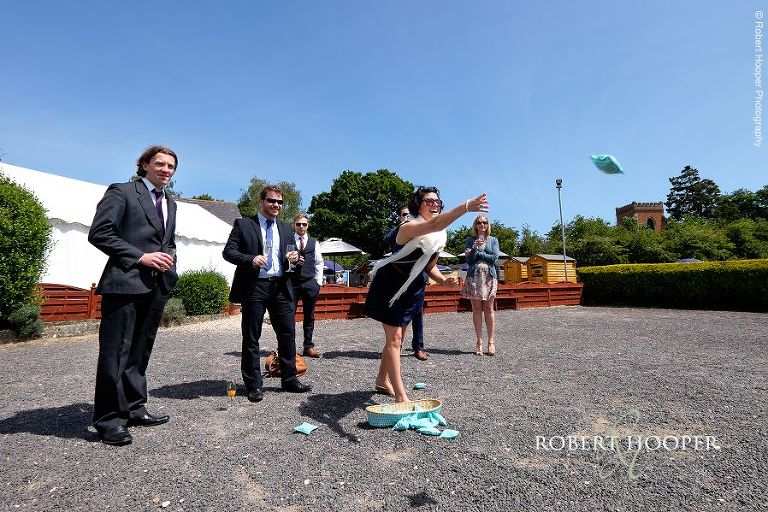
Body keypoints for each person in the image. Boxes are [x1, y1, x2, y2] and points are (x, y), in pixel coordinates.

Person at [88, 145, 179, 446]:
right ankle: (109, 419)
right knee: (116, 354)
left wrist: (169, 259)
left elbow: (168, 241)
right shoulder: (123, 192)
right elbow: (100, 233)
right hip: (124, 283)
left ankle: (135, 407)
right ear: (144, 165)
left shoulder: (170, 202)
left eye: (171, 166)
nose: (166, 170)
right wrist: (141, 257)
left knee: (140, 350)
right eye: (160, 164)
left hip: (155, 286)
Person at [365, 187, 489, 402]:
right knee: (395, 339)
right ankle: (402, 398)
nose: (434, 205)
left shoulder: (439, 236)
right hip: (390, 285)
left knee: (398, 338)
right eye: (428, 201)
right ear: (418, 205)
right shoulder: (407, 227)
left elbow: (430, 265)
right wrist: (466, 206)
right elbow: (433, 224)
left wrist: (444, 281)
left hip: (412, 287)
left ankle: (381, 380)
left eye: (437, 202)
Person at [223, 185, 311, 403]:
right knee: (252, 336)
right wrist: (250, 259)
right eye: (272, 201)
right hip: (255, 286)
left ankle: (290, 379)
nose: (276, 205)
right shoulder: (244, 224)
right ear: (261, 202)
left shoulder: (285, 228)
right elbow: (228, 252)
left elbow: (290, 258)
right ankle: (253, 385)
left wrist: (295, 260)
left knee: (287, 334)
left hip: (281, 286)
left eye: (280, 202)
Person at [384, 206, 427, 361]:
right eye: (404, 214)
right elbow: (387, 239)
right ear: (400, 217)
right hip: (400, 278)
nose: (407, 216)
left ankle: (418, 347)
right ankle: (397, 346)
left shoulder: (419, 231)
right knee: (399, 313)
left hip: (418, 277)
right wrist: (401, 225)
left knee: (418, 314)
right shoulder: (396, 231)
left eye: (410, 214)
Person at [461, 215, 499, 356]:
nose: (482, 224)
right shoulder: (470, 240)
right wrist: (473, 248)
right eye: (479, 222)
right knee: (476, 309)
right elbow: (469, 260)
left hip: (489, 277)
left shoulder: (493, 240)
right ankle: (479, 342)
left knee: (489, 308)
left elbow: (494, 259)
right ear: (475, 225)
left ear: (488, 225)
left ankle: (491, 342)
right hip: (474, 276)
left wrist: (478, 252)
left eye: (485, 222)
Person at [290, 213, 324, 358]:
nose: (301, 227)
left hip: (310, 283)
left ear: (307, 225)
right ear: (295, 226)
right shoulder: (289, 240)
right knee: (289, 315)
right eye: (298, 224)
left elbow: (319, 262)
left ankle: (308, 346)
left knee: (309, 315)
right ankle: (289, 347)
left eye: (304, 224)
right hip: (292, 283)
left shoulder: (314, 242)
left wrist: (318, 282)